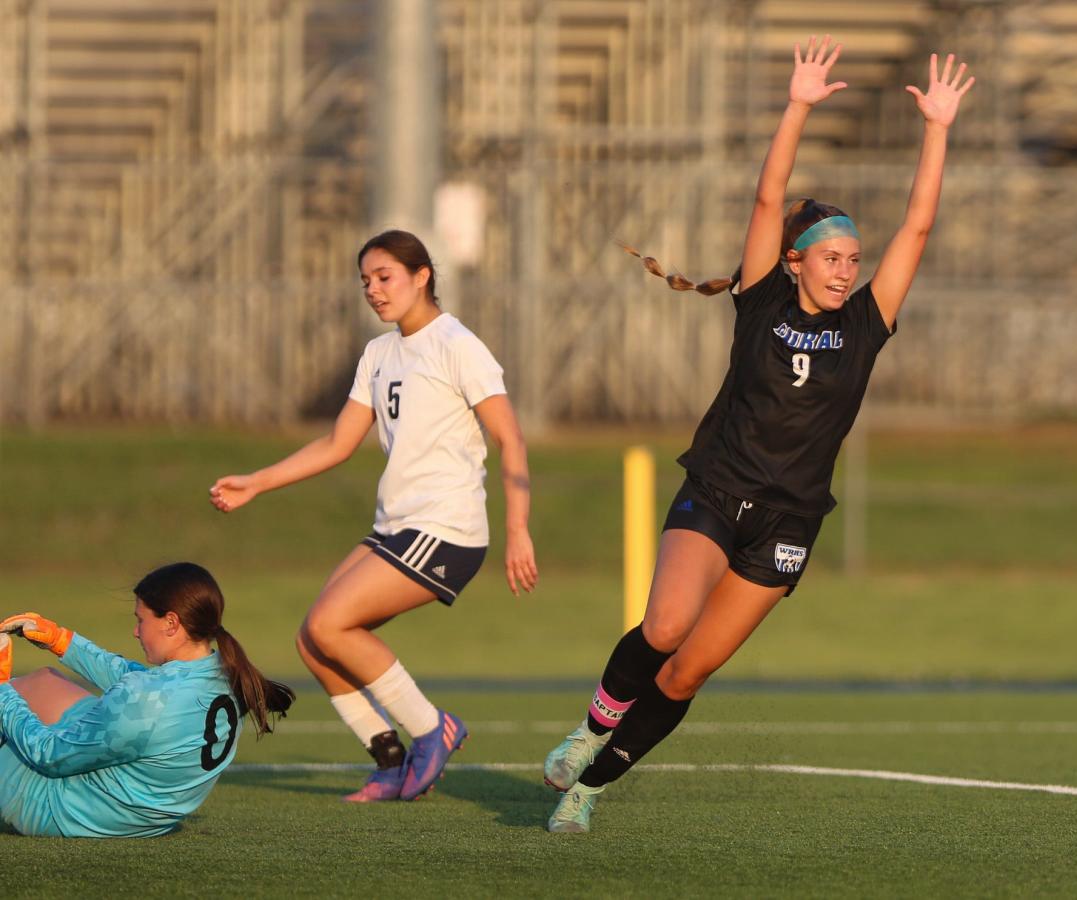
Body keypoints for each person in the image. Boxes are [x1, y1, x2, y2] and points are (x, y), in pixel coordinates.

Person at [543, 36, 975, 832]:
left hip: (789, 520)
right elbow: (767, 199)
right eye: (833, 258)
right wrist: (798, 107)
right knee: (666, 628)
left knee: (689, 671)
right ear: (795, 263)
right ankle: (594, 723)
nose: (847, 269)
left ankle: (592, 786)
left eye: (854, 258)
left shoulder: (867, 323)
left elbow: (918, 227)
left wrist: (938, 128)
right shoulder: (761, 304)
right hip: (718, 491)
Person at [209, 229, 538, 803]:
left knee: (333, 623)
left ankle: (435, 728)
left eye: (384, 277)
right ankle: (389, 761)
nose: (373, 290)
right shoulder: (379, 354)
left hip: (445, 527)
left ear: (421, 275)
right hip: (397, 527)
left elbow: (511, 440)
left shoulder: (456, 344)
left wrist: (517, 530)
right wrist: (257, 482)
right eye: (365, 281)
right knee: (312, 638)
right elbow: (338, 443)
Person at [0, 562, 294, 838]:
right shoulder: (225, 675)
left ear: (171, 623)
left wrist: (2, 688)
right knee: (45, 681)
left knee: (18, 703)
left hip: (60, 810)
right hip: (142, 818)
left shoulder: (146, 699)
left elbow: (50, 756)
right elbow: (132, 679)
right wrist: (62, 640)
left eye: (141, 620)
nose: (136, 631)